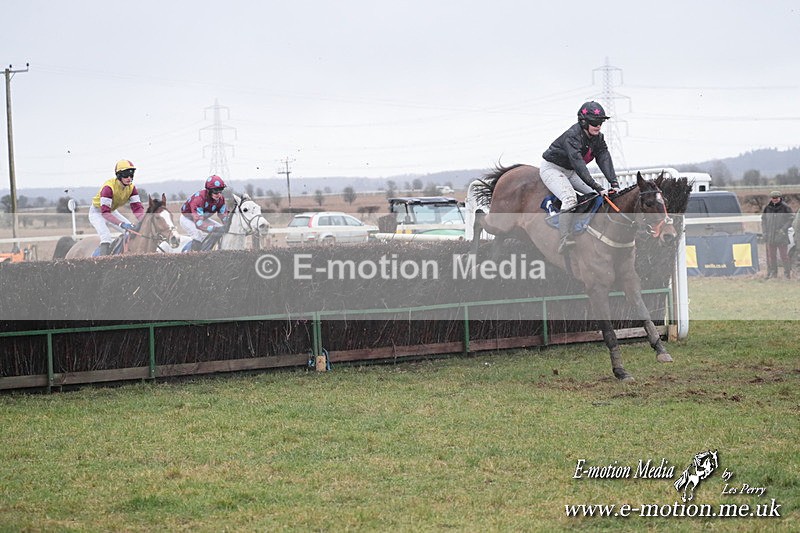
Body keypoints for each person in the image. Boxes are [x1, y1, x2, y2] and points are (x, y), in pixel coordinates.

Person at [541, 101, 620, 254]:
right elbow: (580, 166)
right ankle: (564, 238)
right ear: (583, 122)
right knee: (570, 198)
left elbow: (604, 158)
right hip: (552, 168)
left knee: (598, 196)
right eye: (595, 122)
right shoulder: (572, 136)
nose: (598, 126)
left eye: (601, 122)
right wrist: (598, 187)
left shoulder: (598, 138)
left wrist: (614, 182)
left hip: (570, 171)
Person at [89, 159, 145, 255]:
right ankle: (101, 263)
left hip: (112, 211)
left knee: (131, 231)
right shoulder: (108, 188)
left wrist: (145, 220)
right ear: (119, 175)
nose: (129, 178)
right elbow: (105, 213)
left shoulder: (132, 188)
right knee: (106, 236)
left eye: (131, 175)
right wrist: (120, 223)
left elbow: (137, 208)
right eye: (126, 174)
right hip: (98, 212)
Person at [180, 175, 229, 251]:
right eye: (216, 192)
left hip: (202, 218)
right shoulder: (199, 199)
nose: (218, 194)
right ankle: (191, 257)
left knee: (222, 230)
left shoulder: (221, 199)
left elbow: (224, 217)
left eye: (220, 191)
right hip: (187, 218)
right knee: (198, 236)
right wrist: (214, 229)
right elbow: (199, 224)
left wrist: (230, 226)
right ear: (209, 190)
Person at [761, 190, 793, 278]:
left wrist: (783, 229)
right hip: (770, 236)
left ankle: (787, 274)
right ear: (771, 198)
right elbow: (763, 220)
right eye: (773, 198)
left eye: (776, 198)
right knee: (772, 256)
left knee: (784, 256)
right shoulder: (767, 208)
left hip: (781, 236)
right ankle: (773, 273)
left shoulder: (785, 207)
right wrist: (765, 232)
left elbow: (791, 219)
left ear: (780, 198)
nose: (775, 199)